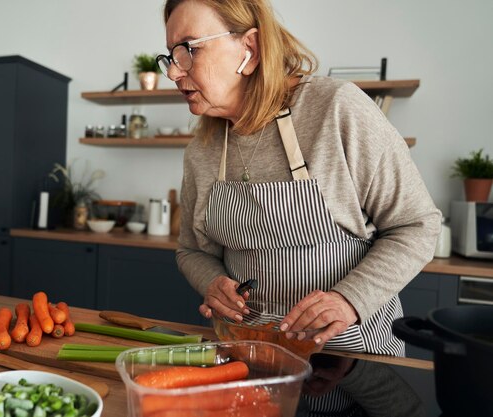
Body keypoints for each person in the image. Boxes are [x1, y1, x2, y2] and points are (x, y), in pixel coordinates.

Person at [158, 0, 441, 355]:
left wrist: (347, 300)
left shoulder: (336, 108)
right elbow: (191, 251)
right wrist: (212, 283)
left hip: (351, 356)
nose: (173, 72)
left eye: (189, 49)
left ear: (250, 48)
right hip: (247, 352)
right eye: (171, 55)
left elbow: (417, 225)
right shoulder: (202, 150)